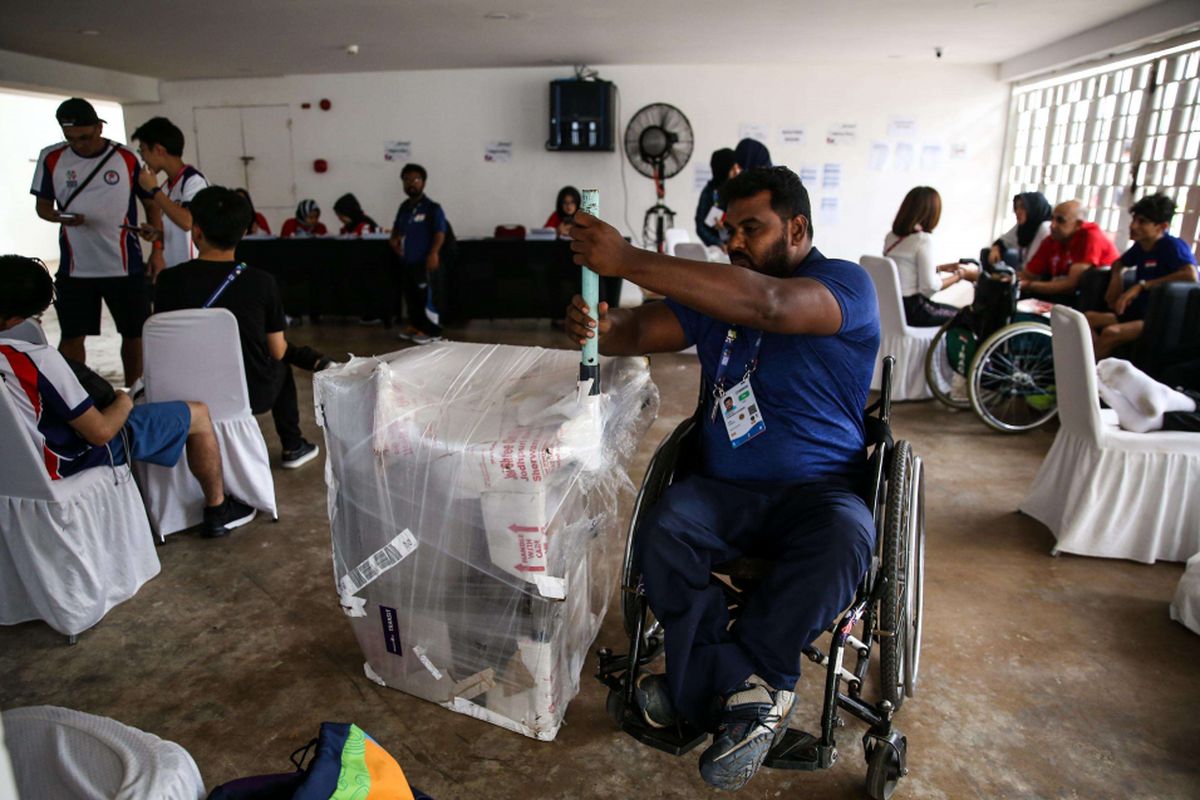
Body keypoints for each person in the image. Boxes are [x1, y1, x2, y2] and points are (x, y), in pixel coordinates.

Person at [565, 166, 879, 791]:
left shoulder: (845, 285)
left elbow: (771, 305)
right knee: (664, 527)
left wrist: (626, 257)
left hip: (819, 494)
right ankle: (746, 695)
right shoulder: (717, 303)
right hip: (727, 490)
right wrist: (596, 325)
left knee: (847, 540)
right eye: (730, 229)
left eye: (752, 228)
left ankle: (710, 684)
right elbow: (636, 330)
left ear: (797, 228)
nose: (735, 242)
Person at [0, 254, 256, 537]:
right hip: (62, 458)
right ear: (15, 319)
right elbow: (100, 432)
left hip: (12, 462)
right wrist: (125, 398)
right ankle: (218, 510)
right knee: (198, 415)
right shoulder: (35, 360)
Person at [154, 187, 328, 470]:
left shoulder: (167, 281)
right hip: (245, 394)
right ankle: (293, 445)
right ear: (244, 232)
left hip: (182, 393)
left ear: (196, 232)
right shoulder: (261, 282)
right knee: (280, 365)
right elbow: (278, 349)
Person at [31, 97, 163, 386]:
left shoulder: (127, 158)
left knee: (134, 334)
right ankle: (74, 393)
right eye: (72, 139)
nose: (80, 144)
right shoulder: (51, 158)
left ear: (99, 128)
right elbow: (43, 207)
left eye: (86, 137)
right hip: (76, 267)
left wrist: (157, 247)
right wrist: (60, 217)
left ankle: (134, 391)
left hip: (124, 265)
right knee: (72, 334)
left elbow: (152, 205)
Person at [1083, 193, 1198, 358]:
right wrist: (1117, 279)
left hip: (1156, 318)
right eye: (1134, 220)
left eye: (1142, 222)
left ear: (1162, 227)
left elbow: (1191, 275)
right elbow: (1119, 263)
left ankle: (1086, 378)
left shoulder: (1172, 246)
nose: (1133, 226)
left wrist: (1142, 285)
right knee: (1086, 319)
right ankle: (1091, 361)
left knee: (1111, 332)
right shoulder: (1140, 246)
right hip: (1137, 312)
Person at [883, 186, 975, 326]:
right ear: (931, 214)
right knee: (967, 317)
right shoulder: (923, 240)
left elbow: (905, 270)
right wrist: (960, 275)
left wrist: (939, 268)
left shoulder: (891, 237)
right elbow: (929, 287)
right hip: (915, 310)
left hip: (892, 308)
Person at [132, 116, 209, 270]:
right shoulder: (167, 187)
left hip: (194, 269)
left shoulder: (193, 181)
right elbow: (180, 232)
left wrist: (153, 190)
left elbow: (188, 222)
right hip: (175, 268)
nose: (142, 157)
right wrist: (159, 235)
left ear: (159, 150)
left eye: (143, 150)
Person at [389, 163, 447, 343]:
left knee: (426, 297)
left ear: (423, 183)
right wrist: (393, 240)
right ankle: (415, 326)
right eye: (407, 180)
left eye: (415, 179)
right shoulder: (404, 207)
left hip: (425, 261)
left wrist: (434, 253)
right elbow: (397, 229)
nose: (411, 183)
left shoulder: (432, 208)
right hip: (407, 261)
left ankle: (432, 331)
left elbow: (440, 233)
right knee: (411, 297)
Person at [1019, 199, 1119, 299]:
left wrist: (1028, 285)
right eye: (1052, 219)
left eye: (1060, 220)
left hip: (1094, 298)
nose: (1052, 226)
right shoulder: (1052, 239)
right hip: (1060, 294)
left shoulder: (1090, 236)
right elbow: (1028, 274)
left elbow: (1070, 286)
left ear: (1078, 224)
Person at [986, 192, 1052, 269]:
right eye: (1016, 207)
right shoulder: (1024, 226)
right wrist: (995, 249)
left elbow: (1036, 268)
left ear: (1034, 208)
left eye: (1023, 207)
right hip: (1024, 273)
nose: (1017, 212)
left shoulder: (1045, 228)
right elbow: (1004, 240)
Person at [695, 148, 736, 248]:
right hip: (718, 252)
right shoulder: (709, 192)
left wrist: (727, 230)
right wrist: (718, 243)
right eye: (732, 168)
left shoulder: (740, 190)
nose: (736, 171)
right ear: (723, 169)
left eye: (737, 167)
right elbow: (701, 226)